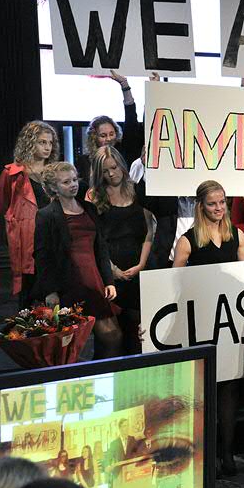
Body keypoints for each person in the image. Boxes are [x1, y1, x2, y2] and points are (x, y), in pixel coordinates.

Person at [172, 180, 244, 477]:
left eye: (222, 203)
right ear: (200, 206)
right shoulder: (187, 240)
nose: (219, 208)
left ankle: (227, 453)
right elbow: (172, 287)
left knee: (230, 387)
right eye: (212, 204)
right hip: (199, 325)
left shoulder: (236, 234)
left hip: (230, 323)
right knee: (203, 391)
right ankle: (204, 456)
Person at [34, 162, 121, 358]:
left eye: (74, 180)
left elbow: (101, 249)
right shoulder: (46, 215)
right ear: (54, 188)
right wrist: (50, 290)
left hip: (94, 279)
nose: (73, 184)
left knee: (112, 336)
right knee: (70, 344)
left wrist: (109, 281)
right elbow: (42, 255)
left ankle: (103, 374)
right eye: (66, 182)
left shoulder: (89, 208)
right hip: (68, 282)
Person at [89, 146, 154, 354]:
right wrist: (111, 270)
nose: (111, 174)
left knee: (136, 333)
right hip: (108, 271)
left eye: (114, 168)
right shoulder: (94, 196)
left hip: (137, 267)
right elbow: (94, 240)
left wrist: (141, 264)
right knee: (110, 339)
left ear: (121, 165)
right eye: (105, 171)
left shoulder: (135, 191)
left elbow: (148, 232)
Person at [0, 121, 59, 307]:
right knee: (28, 297)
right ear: (29, 142)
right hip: (26, 243)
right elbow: (4, 206)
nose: (47, 147)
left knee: (57, 298)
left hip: (53, 240)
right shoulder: (12, 174)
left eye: (50, 143)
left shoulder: (57, 172)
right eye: (42, 142)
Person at [105, 419, 137, 488]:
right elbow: (108, 457)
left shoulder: (132, 439)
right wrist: (108, 465)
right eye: (124, 426)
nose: (127, 428)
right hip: (120, 474)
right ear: (120, 428)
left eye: (128, 425)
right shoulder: (114, 443)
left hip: (131, 472)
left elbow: (137, 453)